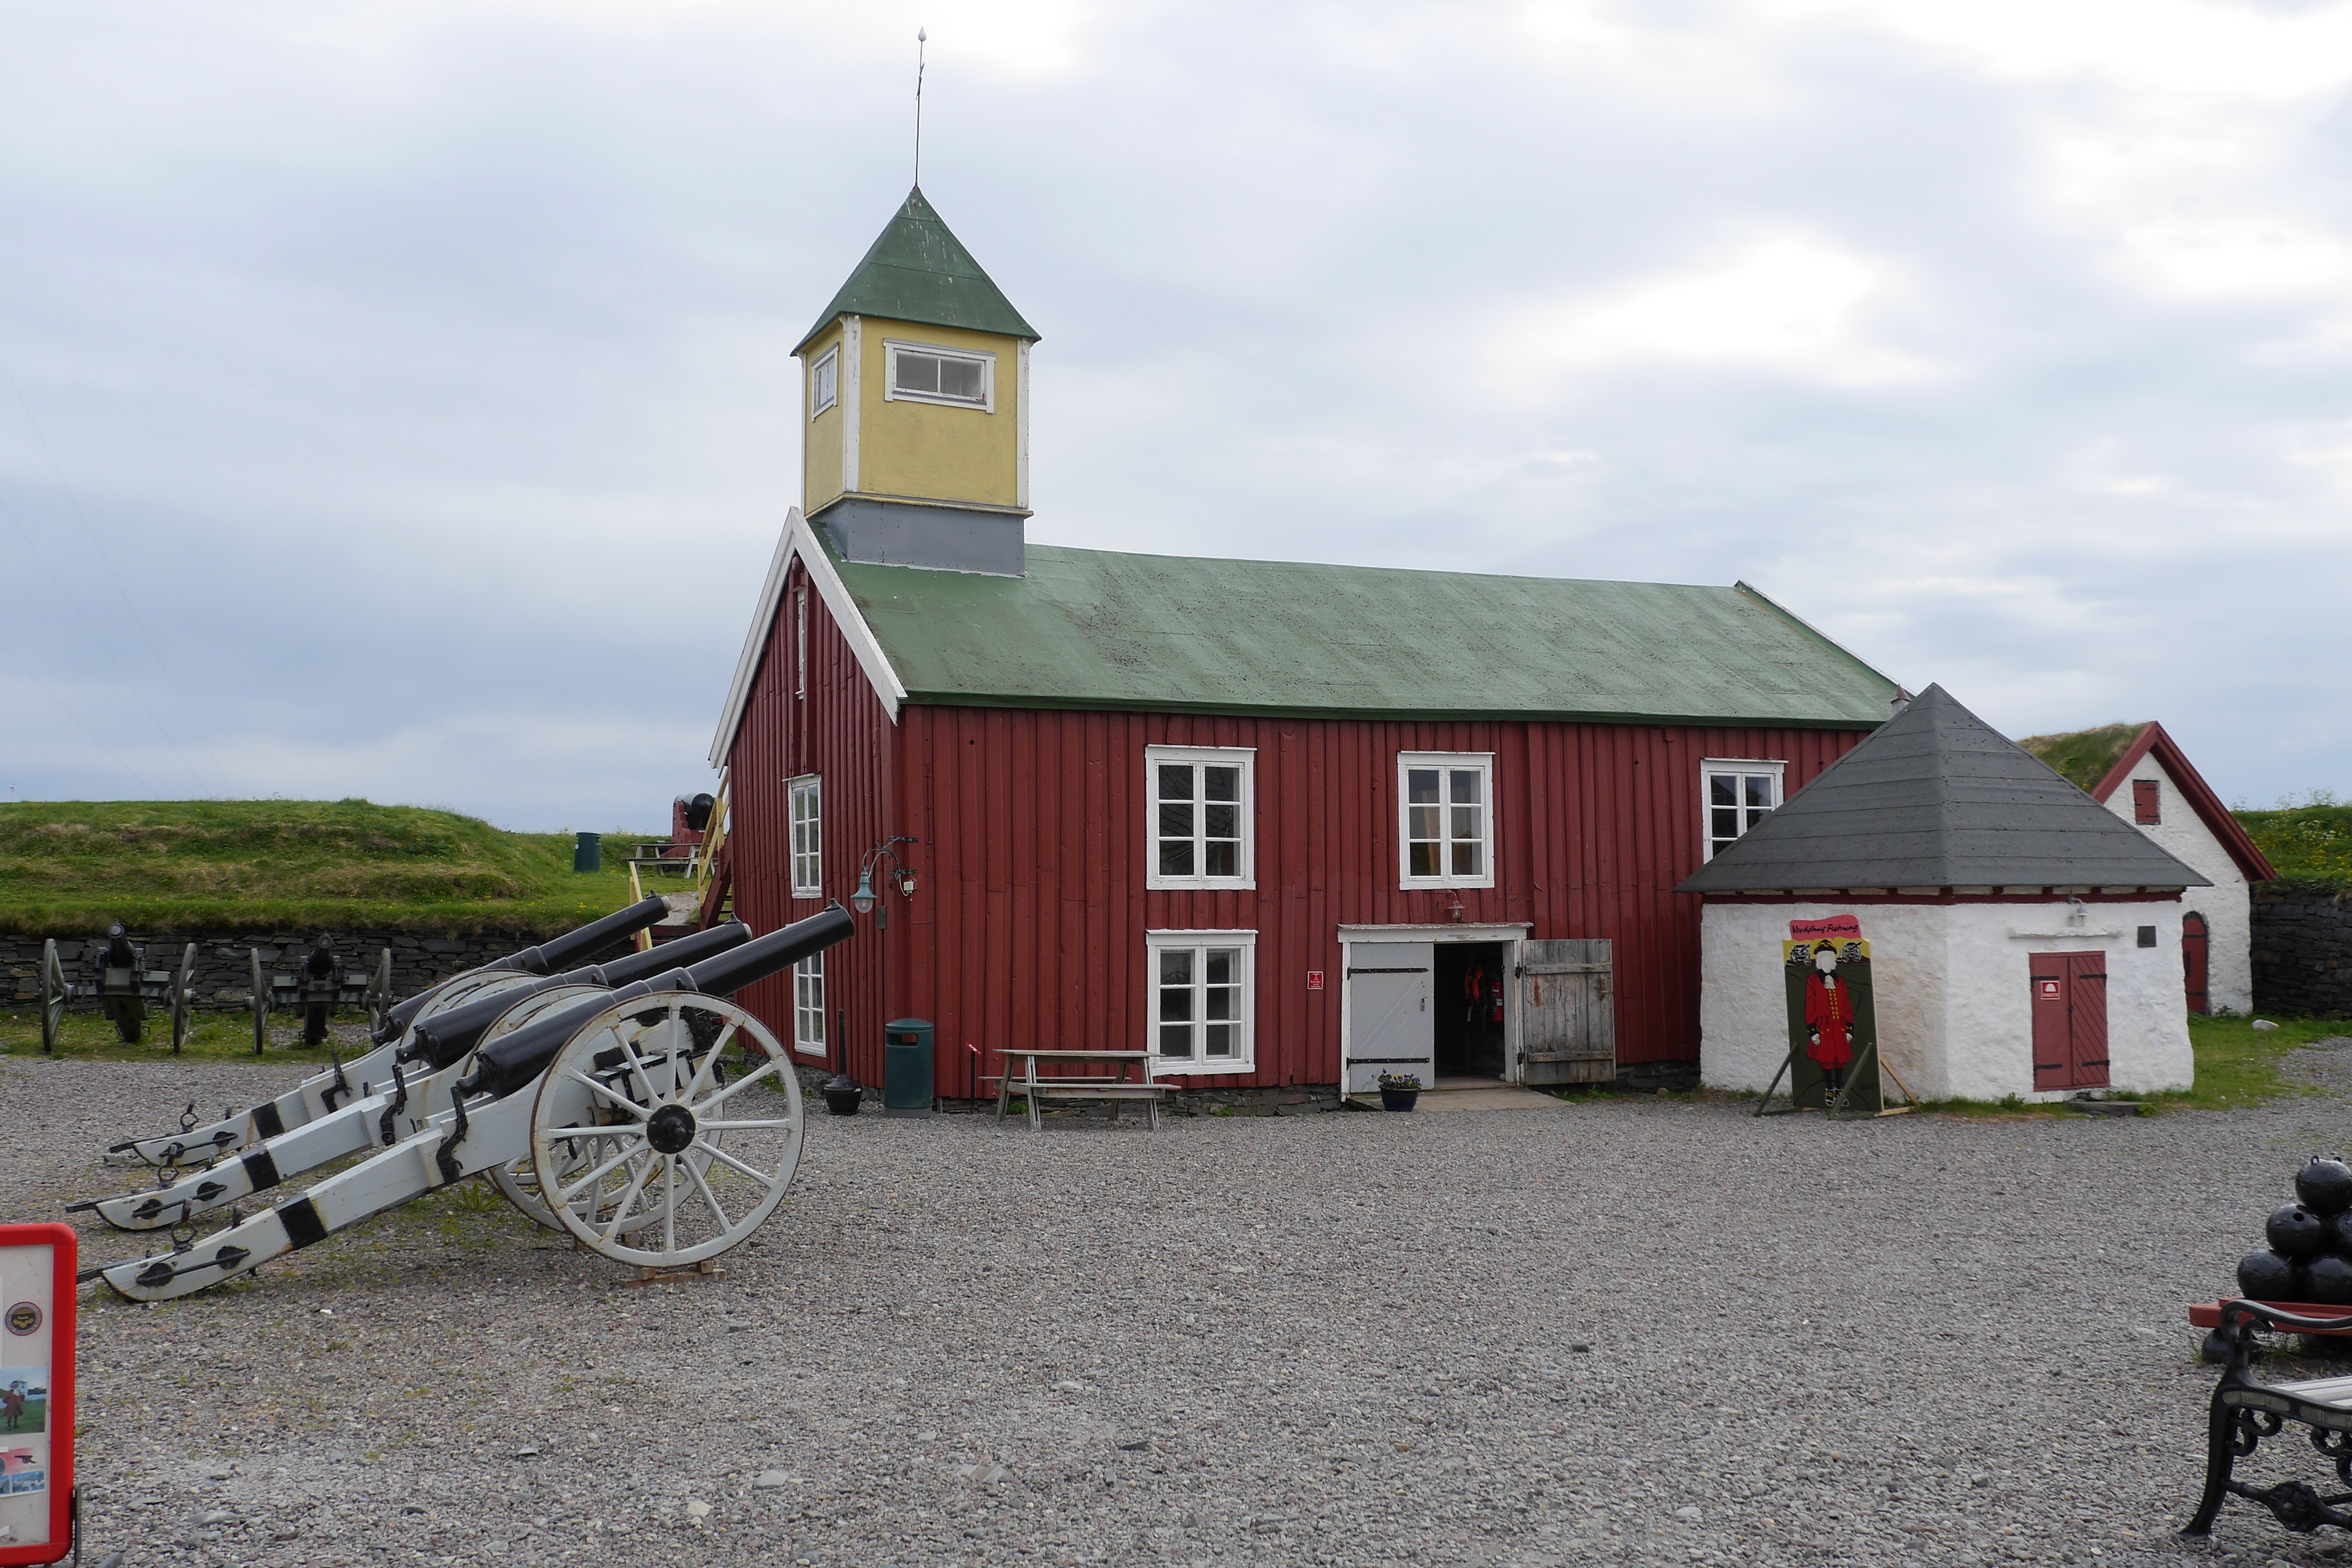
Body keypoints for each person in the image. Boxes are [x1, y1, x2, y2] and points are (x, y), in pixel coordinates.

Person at [1804, 940, 1856, 1098]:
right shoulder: (1813, 980)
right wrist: (1813, 1031)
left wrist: (1849, 1028)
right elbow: (1810, 1006)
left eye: (1831, 958)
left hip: (1839, 1026)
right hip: (1823, 1026)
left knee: (1840, 1059)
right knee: (1826, 1059)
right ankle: (1829, 1090)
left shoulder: (1840, 981)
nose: (1830, 961)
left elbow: (1846, 1005)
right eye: (1826, 958)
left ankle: (1839, 1089)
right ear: (1820, 960)